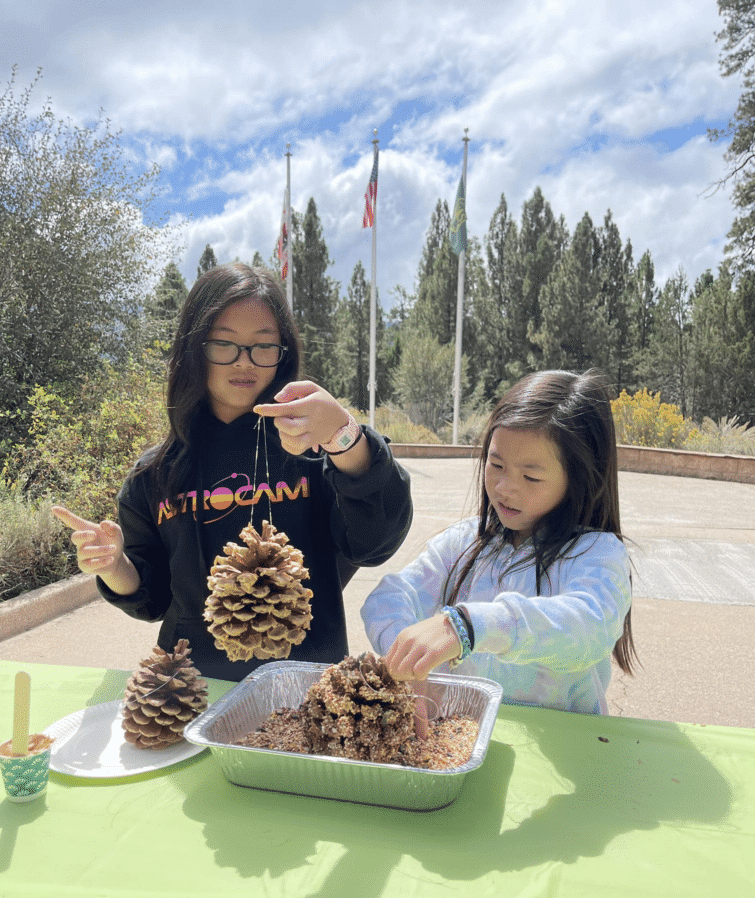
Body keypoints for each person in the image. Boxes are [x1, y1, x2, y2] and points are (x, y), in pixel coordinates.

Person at [53, 262, 413, 681]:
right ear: (194, 348)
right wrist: (114, 565)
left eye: (263, 346)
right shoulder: (153, 476)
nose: (244, 363)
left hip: (302, 692)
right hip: (191, 692)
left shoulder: (315, 449)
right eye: (223, 344)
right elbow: (150, 600)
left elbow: (375, 542)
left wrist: (345, 439)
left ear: (283, 353)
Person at [361, 369, 637, 715]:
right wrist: (408, 660)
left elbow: (588, 626)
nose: (505, 487)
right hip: (459, 739)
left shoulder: (597, 553)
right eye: (496, 464)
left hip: (567, 751)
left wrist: (468, 626)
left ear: (579, 477)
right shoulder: (464, 542)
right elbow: (389, 597)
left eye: (530, 476)